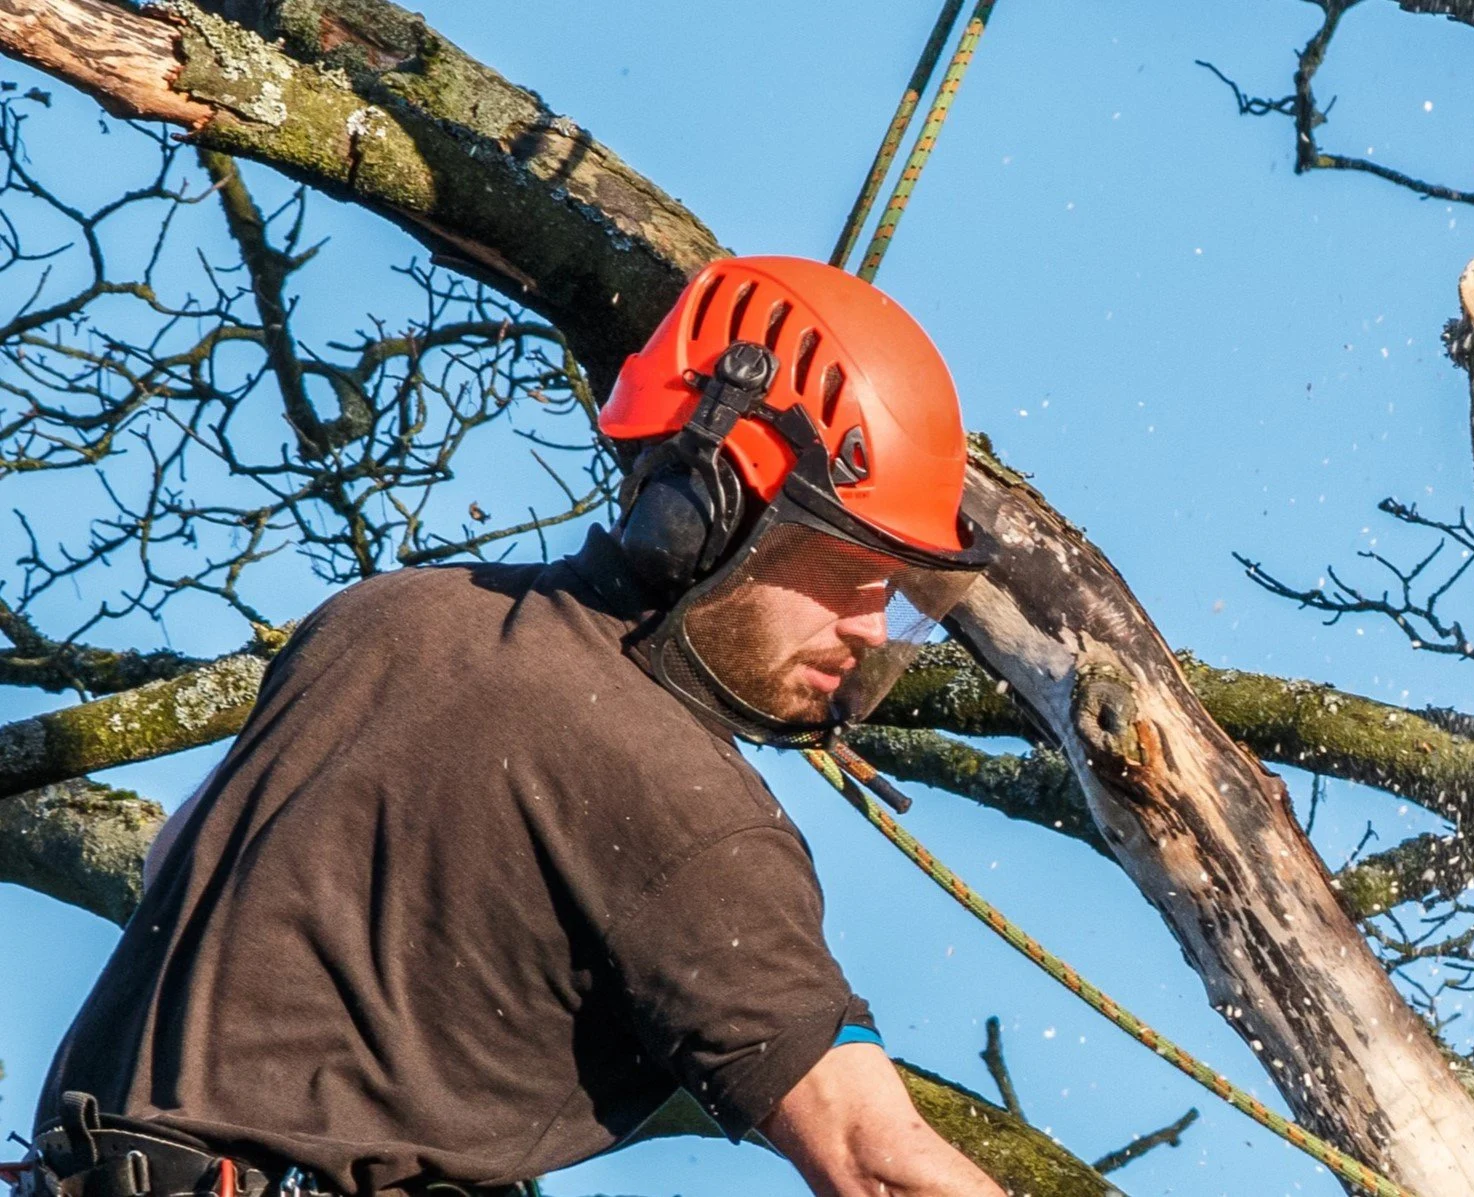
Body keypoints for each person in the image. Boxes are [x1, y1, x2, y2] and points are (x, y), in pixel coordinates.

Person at [25, 258, 1006, 1197]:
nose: (871, 628)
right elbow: (879, 1165)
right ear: (703, 509)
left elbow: (180, 862)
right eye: (845, 576)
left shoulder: (383, 619)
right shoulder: (680, 797)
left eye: (895, 597)